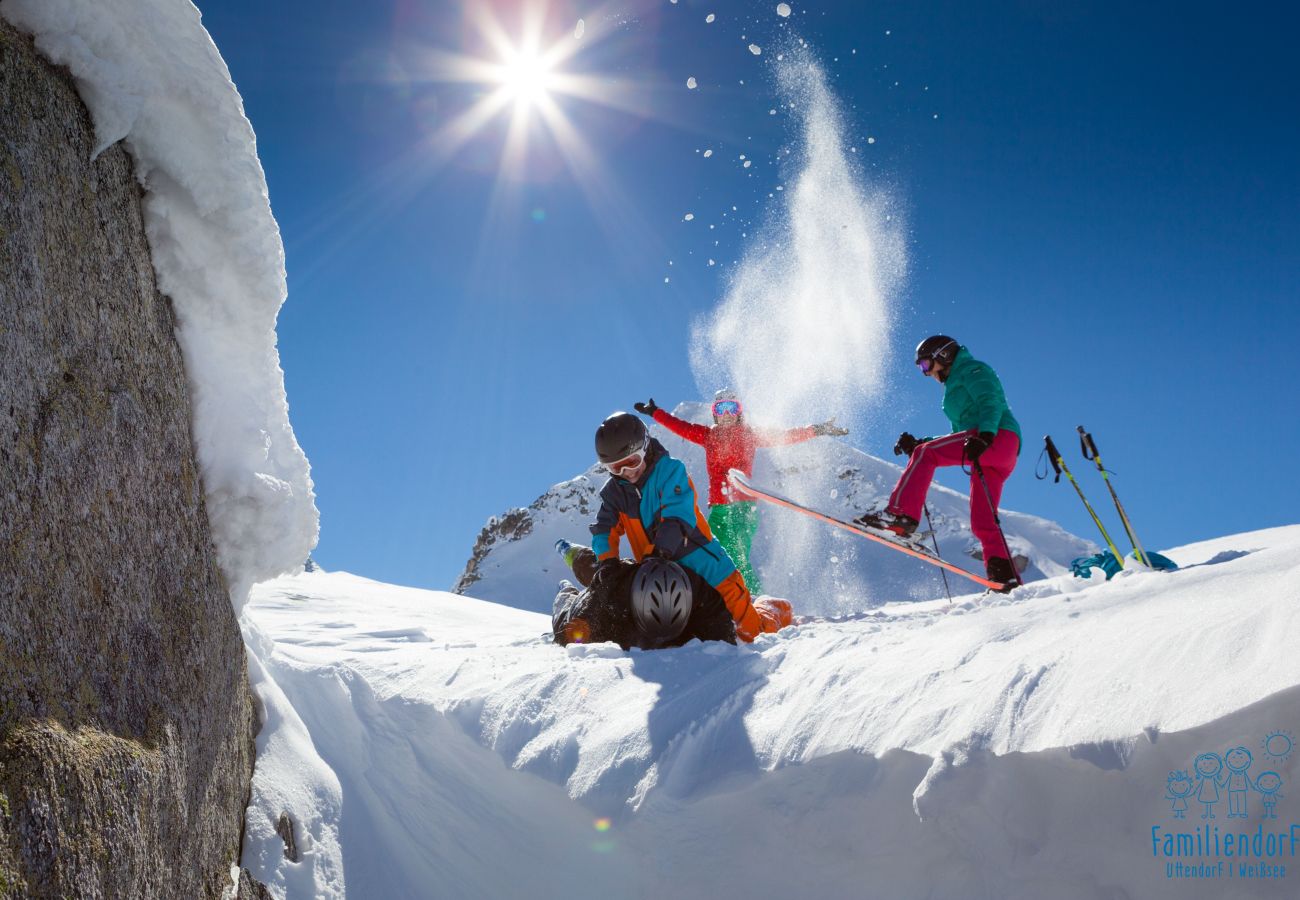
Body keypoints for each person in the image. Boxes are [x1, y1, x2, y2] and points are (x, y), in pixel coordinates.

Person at [587, 411, 792, 642]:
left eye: (632, 462)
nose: (627, 473)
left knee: (750, 632)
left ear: (644, 447)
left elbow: (678, 517)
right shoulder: (615, 492)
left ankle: (772, 609)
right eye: (617, 468)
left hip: (709, 570)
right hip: (664, 577)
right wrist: (607, 562)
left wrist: (657, 553)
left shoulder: (670, 471)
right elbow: (604, 528)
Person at [633, 391, 847, 594]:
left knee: (737, 556)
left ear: (739, 413)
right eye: (721, 409)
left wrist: (816, 430)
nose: (727, 414)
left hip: (743, 506)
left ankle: (755, 599)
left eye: (732, 408)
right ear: (715, 414)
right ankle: (726, 600)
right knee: (715, 555)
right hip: (718, 509)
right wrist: (655, 412)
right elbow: (680, 426)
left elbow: (783, 436)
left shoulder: (749, 435)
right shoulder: (708, 436)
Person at [854, 335, 1022, 590]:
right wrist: (922, 441)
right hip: (990, 450)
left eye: (925, 365)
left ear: (943, 355)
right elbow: (958, 435)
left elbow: (991, 401)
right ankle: (1005, 580)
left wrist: (986, 435)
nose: (925, 373)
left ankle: (900, 518)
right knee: (983, 520)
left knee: (926, 454)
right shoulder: (953, 387)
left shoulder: (972, 370)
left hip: (996, 437)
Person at [552, 541, 736, 649]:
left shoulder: (695, 589)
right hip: (609, 586)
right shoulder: (601, 611)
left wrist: (726, 638)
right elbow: (569, 636)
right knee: (589, 571)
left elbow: (718, 618)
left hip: (632, 574)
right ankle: (566, 574)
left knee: (597, 569)